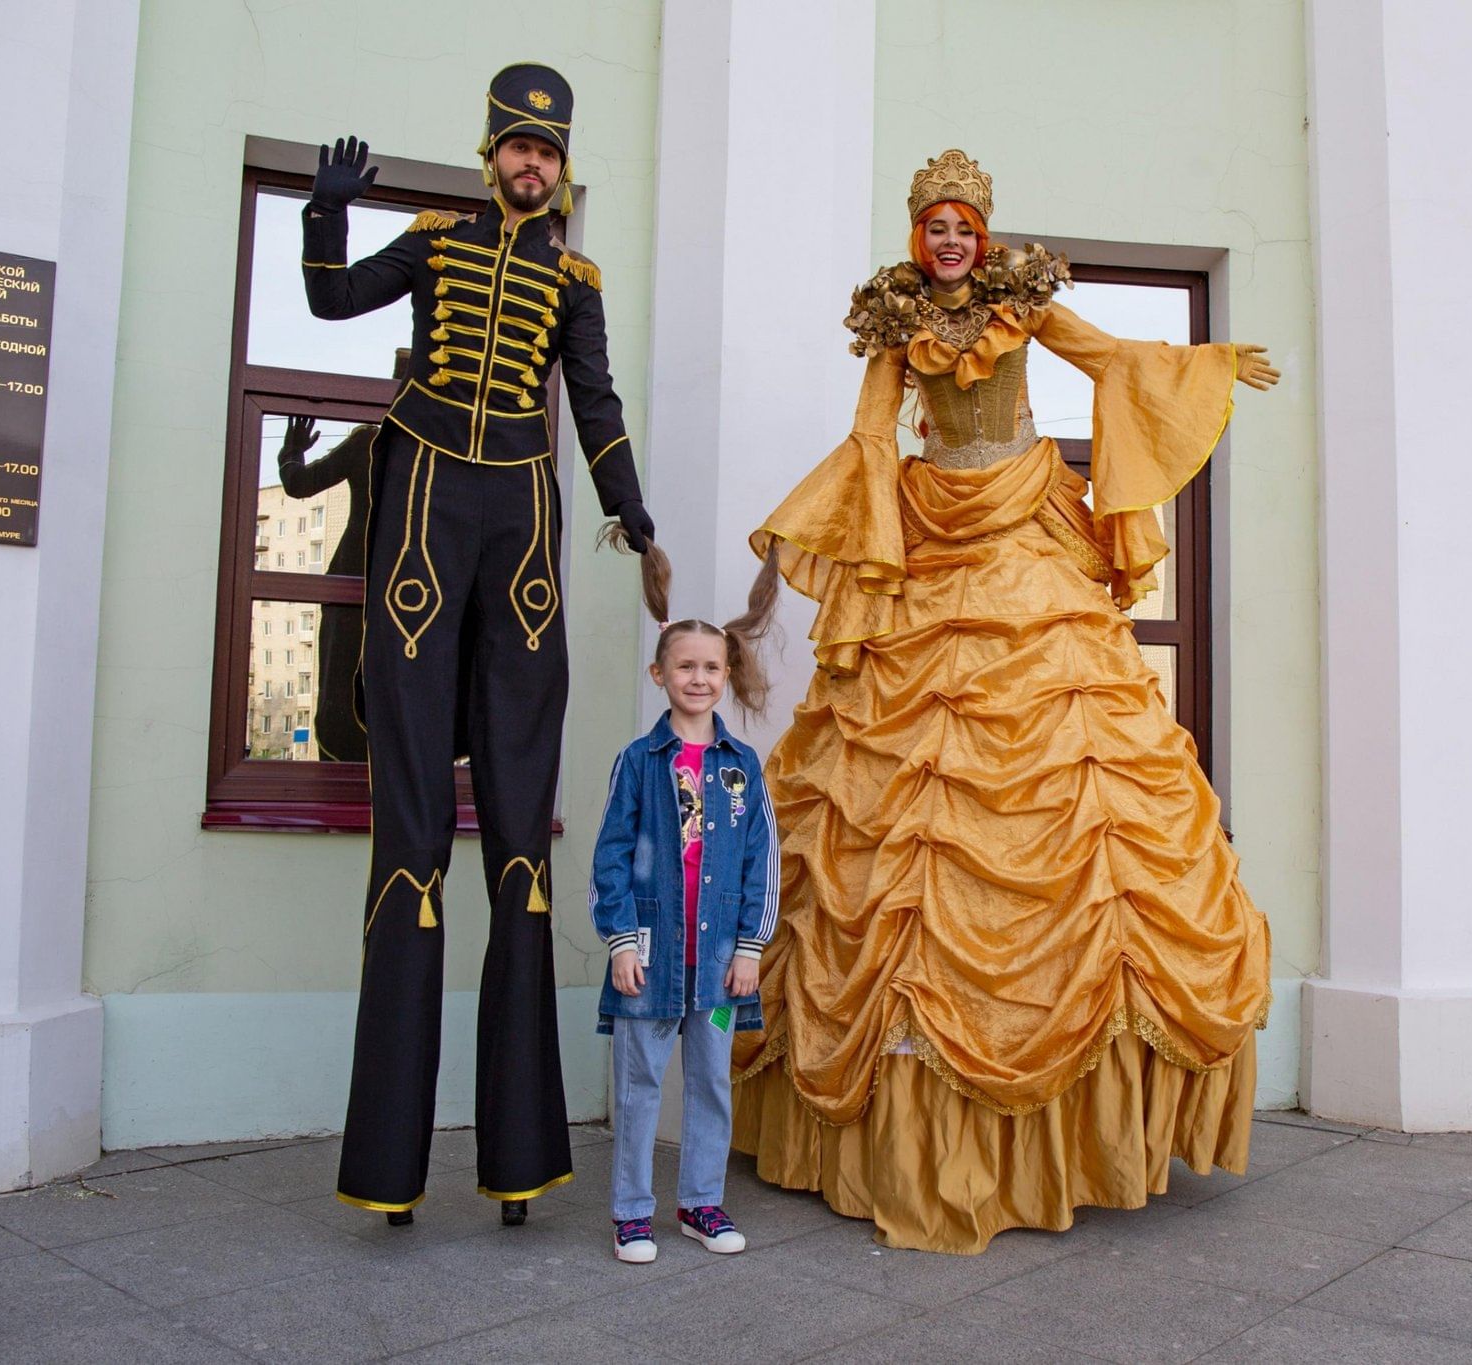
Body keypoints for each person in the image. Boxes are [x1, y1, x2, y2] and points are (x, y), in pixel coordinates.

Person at [730, 150, 1280, 1253]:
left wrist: (1205, 364)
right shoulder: (892, 323)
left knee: (1081, 759)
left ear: (982, 234)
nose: (948, 239)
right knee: (892, 784)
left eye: (962, 224)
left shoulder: (1024, 302)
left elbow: (1109, 360)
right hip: (930, 540)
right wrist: (858, 531)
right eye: (933, 223)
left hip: (1029, 525)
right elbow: (873, 433)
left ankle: (1082, 1125)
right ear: (916, 233)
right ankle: (908, 1114)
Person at [301, 63, 656, 1227]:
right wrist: (323, 211)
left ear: (563, 165)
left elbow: (592, 402)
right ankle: (389, 1171)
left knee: (519, 833)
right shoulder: (433, 245)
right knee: (408, 835)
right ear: (490, 151)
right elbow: (330, 302)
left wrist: (628, 504)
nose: (530, 164)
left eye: (547, 152)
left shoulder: (578, 278)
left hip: (520, 513)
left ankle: (515, 1162)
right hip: (422, 498)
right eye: (515, 146)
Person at [589, 528, 780, 1264]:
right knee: (638, 1088)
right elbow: (610, 855)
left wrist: (752, 947)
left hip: (722, 965)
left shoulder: (743, 765)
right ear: (660, 672)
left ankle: (701, 1203)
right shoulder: (640, 762)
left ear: (726, 675)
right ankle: (631, 1212)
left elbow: (763, 859)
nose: (699, 678)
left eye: (711, 667)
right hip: (652, 955)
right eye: (685, 667)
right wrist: (622, 939)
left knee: (710, 1085)